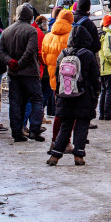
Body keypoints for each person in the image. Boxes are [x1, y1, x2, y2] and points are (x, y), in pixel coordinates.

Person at [46, 24, 101, 167]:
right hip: (83, 96)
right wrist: (96, 93)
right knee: (81, 126)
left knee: (65, 127)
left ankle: (55, 156)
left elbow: (58, 76)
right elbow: (95, 77)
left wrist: (59, 94)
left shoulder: (63, 54)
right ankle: (79, 156)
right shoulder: (87, 55)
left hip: (65, 95)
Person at [0, 3, 46, 143]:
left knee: (15, 102)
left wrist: (10, 62)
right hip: (30, 73)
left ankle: (17, 132)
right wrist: (20, 64)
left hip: (13, 74)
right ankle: (34, 130)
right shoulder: (31, 31)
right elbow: (31, 51)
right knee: (37, 100)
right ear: (30, 16)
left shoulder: (6, 31)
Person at [42, 9, 74, 140]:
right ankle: (64, 141)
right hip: (69, 80)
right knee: (70, 113)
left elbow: (44, 58)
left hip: (53, 79)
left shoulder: (48, 36)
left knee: (59, 112)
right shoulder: (72, 36)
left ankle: (55, 140)